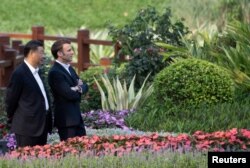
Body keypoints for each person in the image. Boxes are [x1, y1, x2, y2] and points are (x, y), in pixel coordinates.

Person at [5, 40, 52, 147]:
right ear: (31, 53)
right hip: (27, 128)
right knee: (26, 161)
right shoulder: (19, 73)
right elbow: (11, 100)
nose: (43, 56)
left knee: (40, 161)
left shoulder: (38, 71)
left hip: (41, 125)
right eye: (41, 52)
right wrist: (14, 118)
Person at [48, 39, 88, 141]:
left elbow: (85, 86)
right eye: (69, 50)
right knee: (70, 153)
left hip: (77, 118)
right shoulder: (55, 72)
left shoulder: (70, 68)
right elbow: (69, 94)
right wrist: (78, 88)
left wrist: (76, 88)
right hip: (66, 121)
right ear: (60, 53)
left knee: (84, 151)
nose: (72, 53)